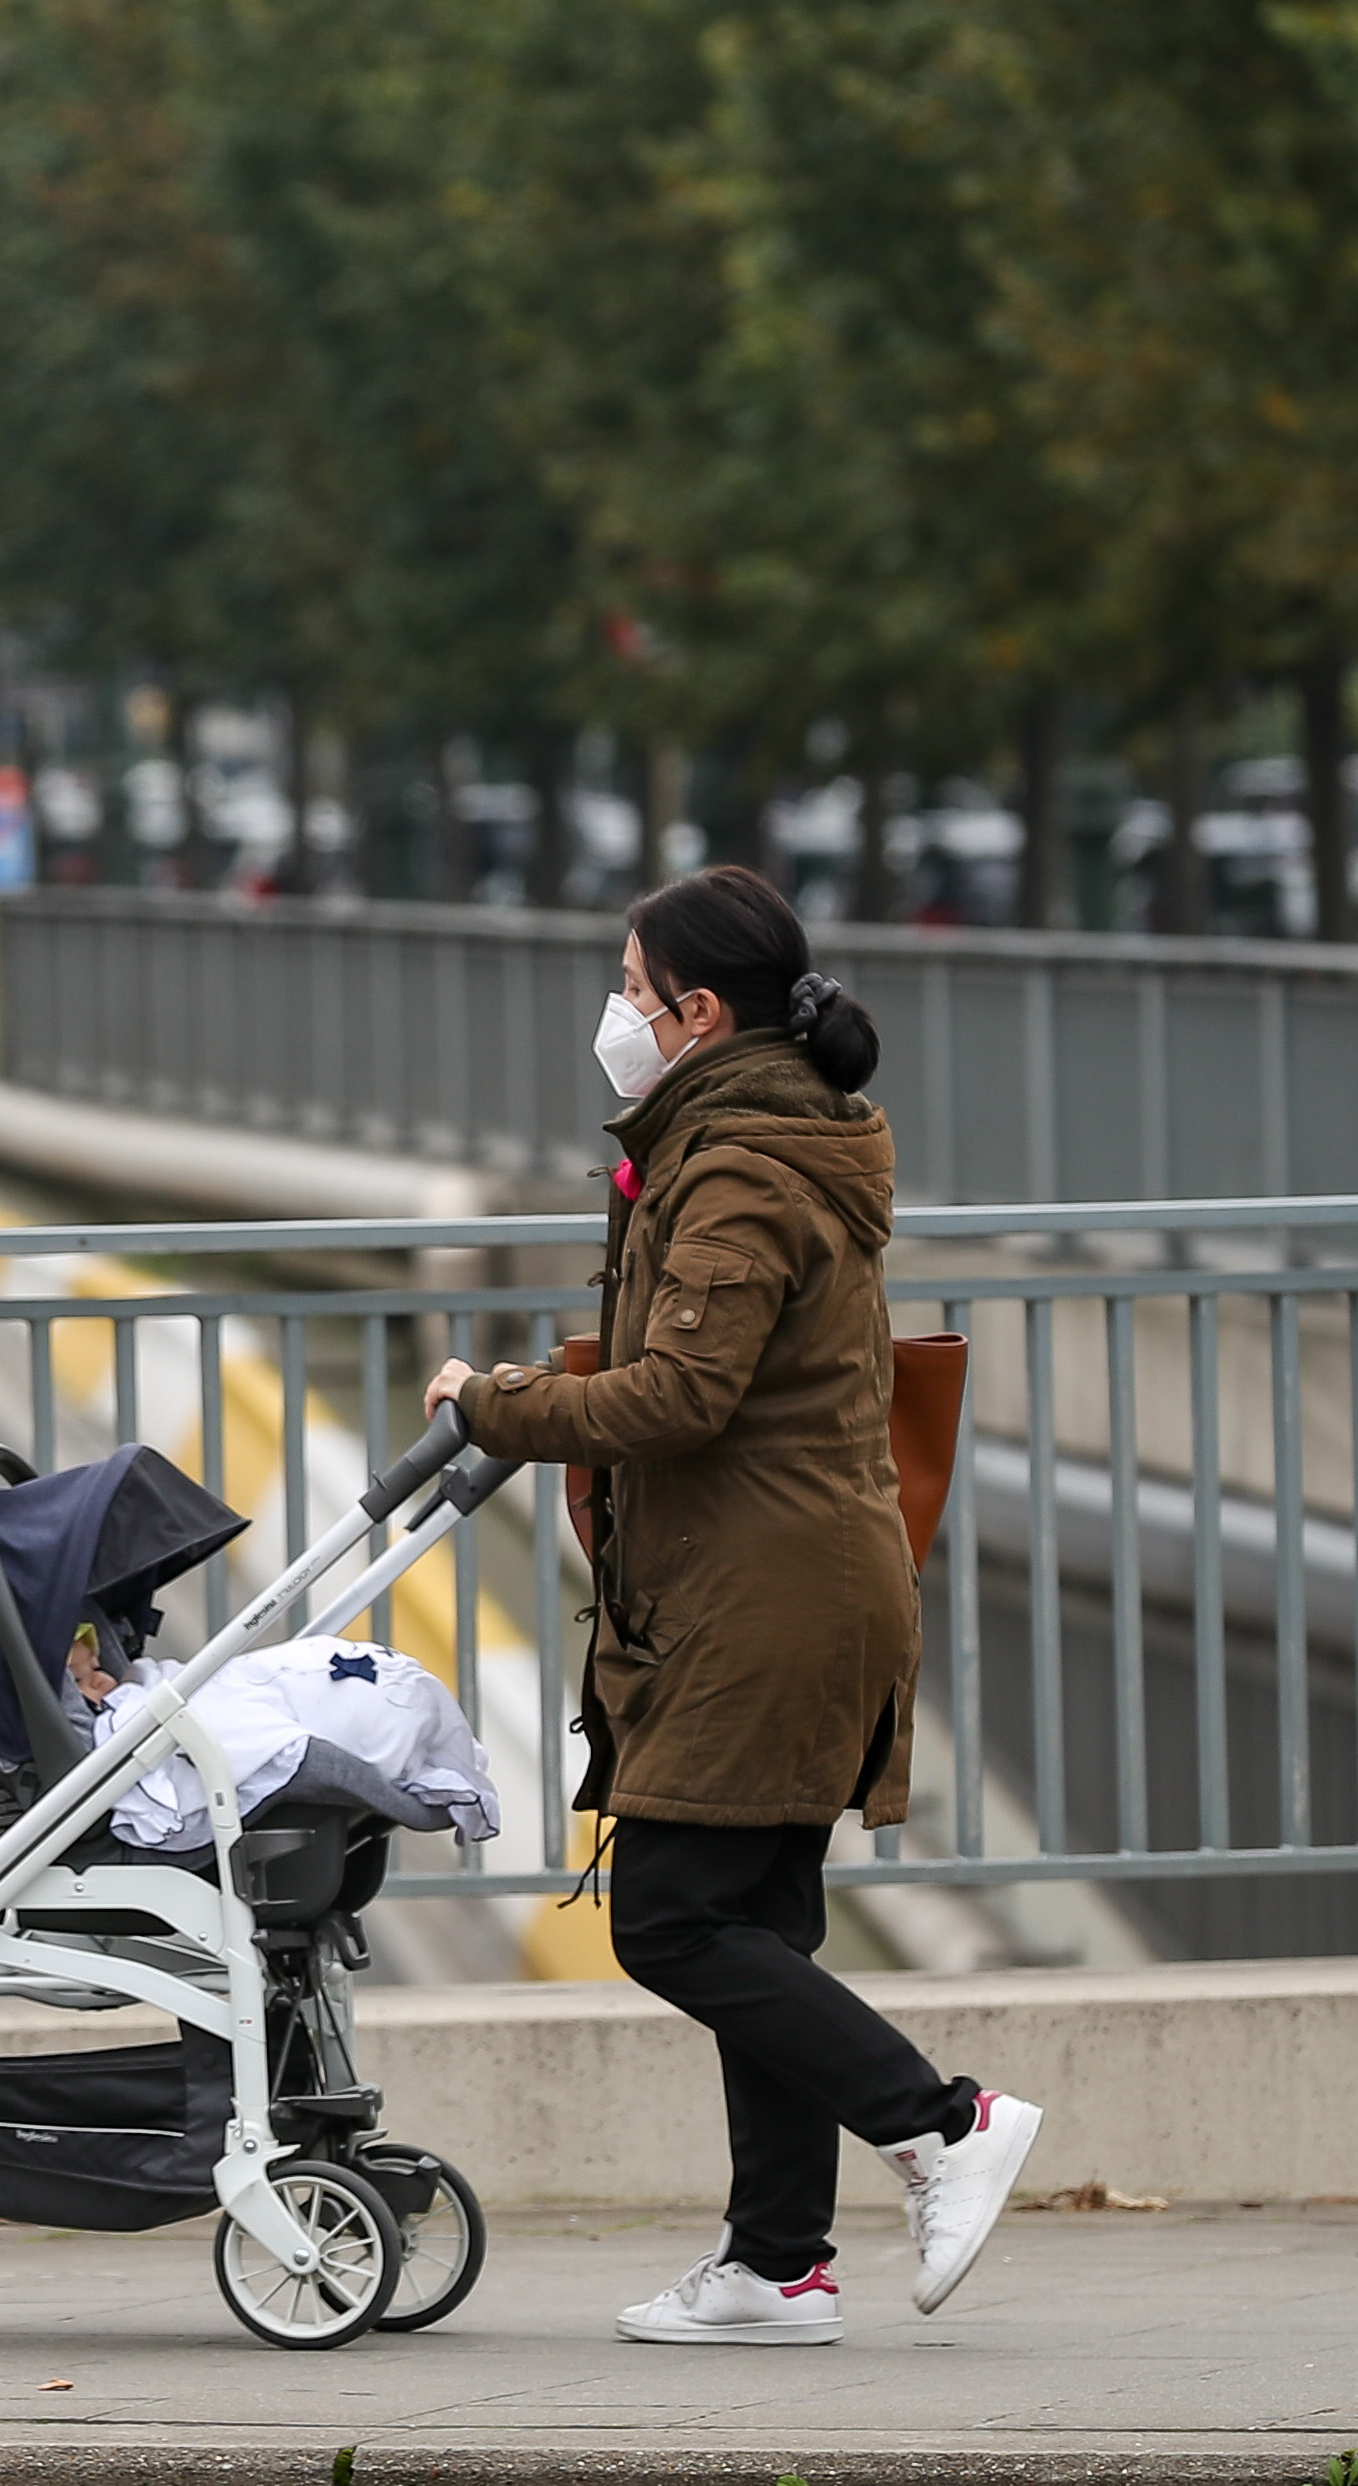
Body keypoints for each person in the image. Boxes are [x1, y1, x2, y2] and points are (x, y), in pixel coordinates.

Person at [421, 865, 1042, 2345]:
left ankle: (941, 2123)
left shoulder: (741, 1167)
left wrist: (499, 1402)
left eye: (632, 990)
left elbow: (683, 1394)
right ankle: (775, 2265)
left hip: (765, 1605)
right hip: (785, 1581)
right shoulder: (745, 1138)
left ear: (698, 1013)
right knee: (753, 1922)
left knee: (672, 1924)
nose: (616, 1015)